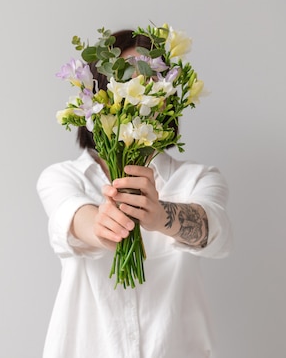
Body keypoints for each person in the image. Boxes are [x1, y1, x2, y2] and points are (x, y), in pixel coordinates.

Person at [36, 29, 233, 358]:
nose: (137, 89)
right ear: (99, 94)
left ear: (168, 97)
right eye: (124, 78)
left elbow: (215, 232)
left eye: (148, 79)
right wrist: (102, 225)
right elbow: (73, 219)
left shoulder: (198, 179)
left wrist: (160, 217)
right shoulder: (61, 177)